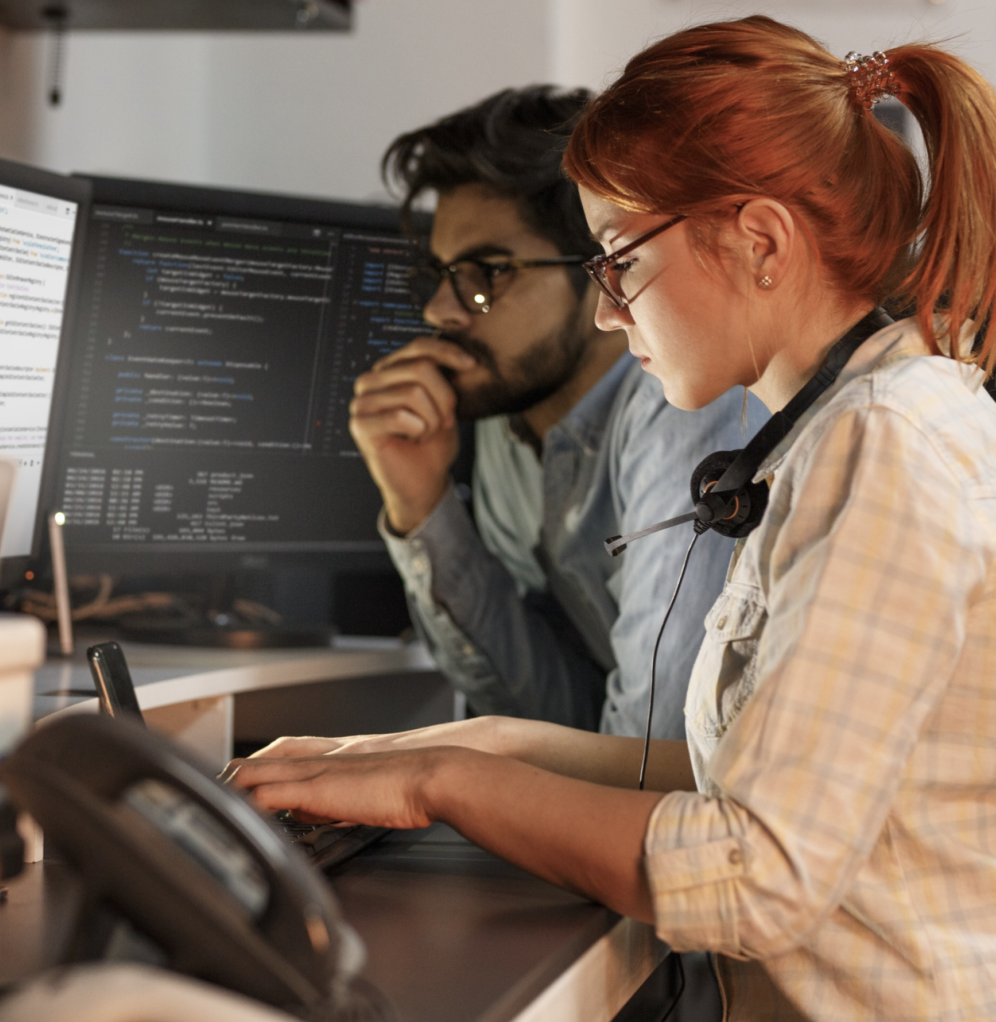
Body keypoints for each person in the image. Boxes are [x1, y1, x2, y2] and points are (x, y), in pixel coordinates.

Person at [228, 16, 996, 1021]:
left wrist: (435, 783)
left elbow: (752, 869)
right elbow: (741, 779)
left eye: (617, 261)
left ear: (758, 241)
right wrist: (474, 747)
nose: (605, 311)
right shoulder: (838, 432)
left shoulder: (883, 441)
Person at [350, 87, 760, 737]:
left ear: (601, 270)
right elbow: (553, 715)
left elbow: (654, 751)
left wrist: (431, 774)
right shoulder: (506, 420)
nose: (439, 311)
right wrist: (423, 506)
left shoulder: (685, 406)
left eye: (486, 272)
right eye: (440, 272)